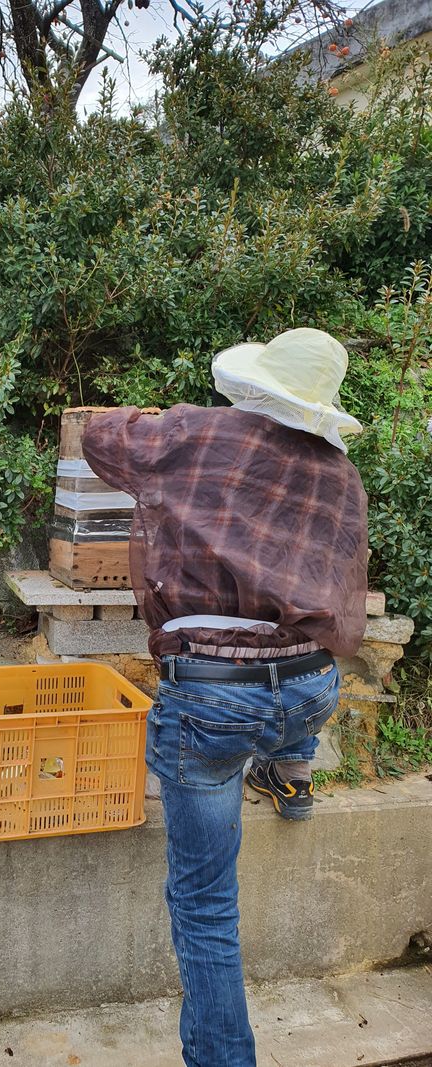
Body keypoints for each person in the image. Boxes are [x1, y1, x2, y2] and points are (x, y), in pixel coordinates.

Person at [82, 328, 368, 1067]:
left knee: (207, 906)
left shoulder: (194, 434)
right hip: (310, 689)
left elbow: (99, 435)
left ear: (253, 387)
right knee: (289, 686)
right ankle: (292, 772)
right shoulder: (340, 473)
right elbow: (338, 591)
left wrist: (157, 416)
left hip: (211, 704)